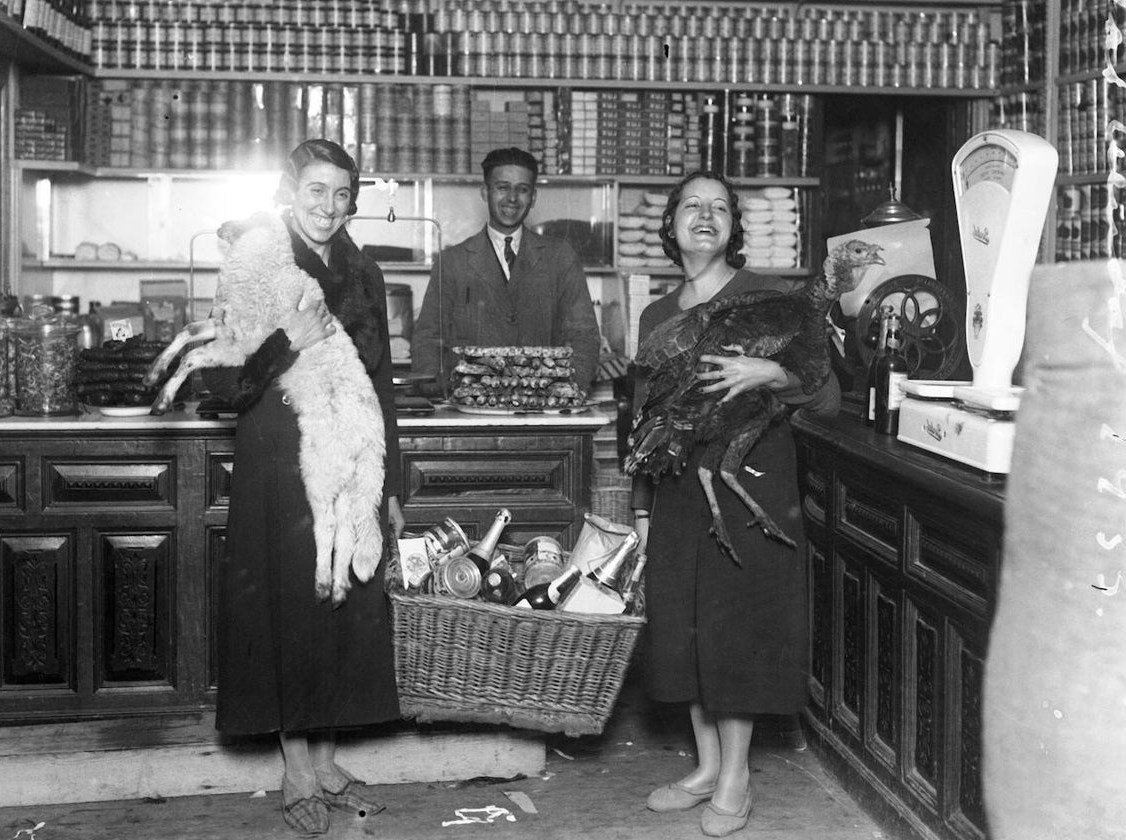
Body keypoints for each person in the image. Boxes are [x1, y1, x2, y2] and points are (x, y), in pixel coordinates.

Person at [201, 139, 404, 836]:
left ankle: (326, 761)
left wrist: (390, 482)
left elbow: (381, 384)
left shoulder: (364, 271)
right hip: (280, 459)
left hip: (350, 459)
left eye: (342, 194)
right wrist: (287, 338)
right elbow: (220, 385)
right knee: (293, 607)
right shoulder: (257, 263)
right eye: (316, 191)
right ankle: (295, 768)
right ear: (290, 192)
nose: (329, 206)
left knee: (342, 608)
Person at [629, 171, 839, 836]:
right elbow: (643, 422)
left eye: (720, 208)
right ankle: (706, 766)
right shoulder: (657, 317)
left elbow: (827, 396)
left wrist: (771, 373)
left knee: (734, 630)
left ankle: (736, 777)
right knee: (685, 626)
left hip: (751, 484)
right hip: (678, 491)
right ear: (670, 224)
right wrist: (640, 509)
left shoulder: (767, 299)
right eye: (692, 206)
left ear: (733, 229)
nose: (706, 216)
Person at [410, 146, 600, 396]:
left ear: (533, 197)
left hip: (541, 410)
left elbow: (583, 336)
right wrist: (438, 396)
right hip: (469, 408)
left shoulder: (560, 257)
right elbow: (429, 338)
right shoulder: (453, 261)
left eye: (522, 189)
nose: (512, 198)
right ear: (485, 192)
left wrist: (566, 393)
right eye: (502, 187)